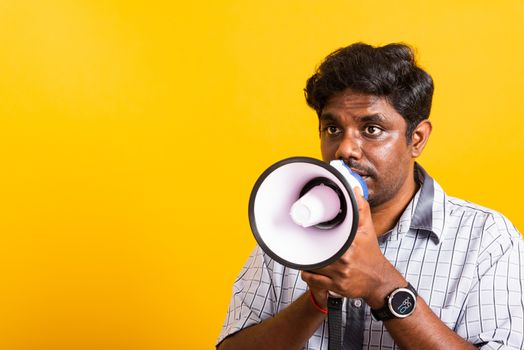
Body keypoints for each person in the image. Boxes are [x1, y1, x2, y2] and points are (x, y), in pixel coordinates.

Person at [216, 43, 524, 350]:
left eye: (372, 129)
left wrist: (382, 285)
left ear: (416, 139)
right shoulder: (287, 227)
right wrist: (317, 298)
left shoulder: (487, 239)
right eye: (333, 128)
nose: (344, 149)